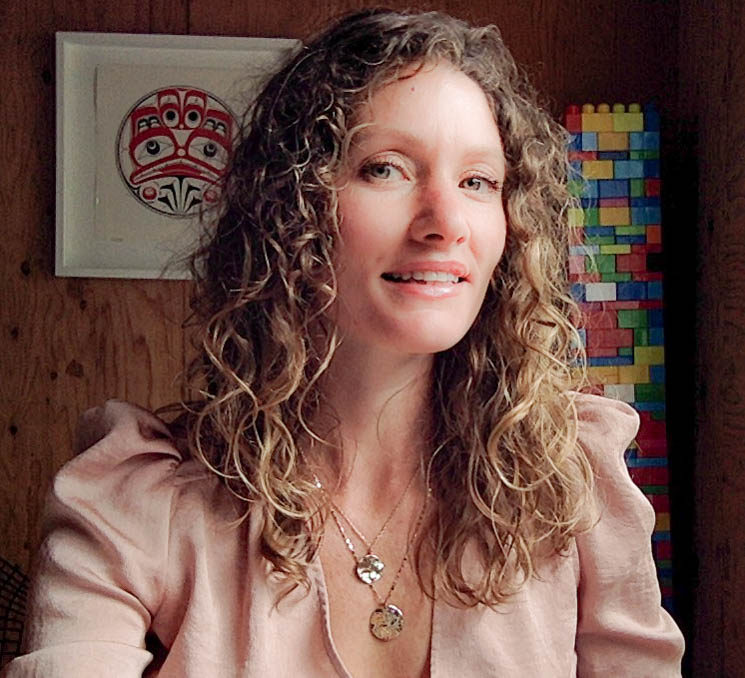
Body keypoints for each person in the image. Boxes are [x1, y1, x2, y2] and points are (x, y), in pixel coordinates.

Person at [3, 8, 684, 678]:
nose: (446, 222)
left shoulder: (574, 485)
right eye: (386, 169)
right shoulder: (138, 501)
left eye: (478, 181)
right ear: (290, 208)